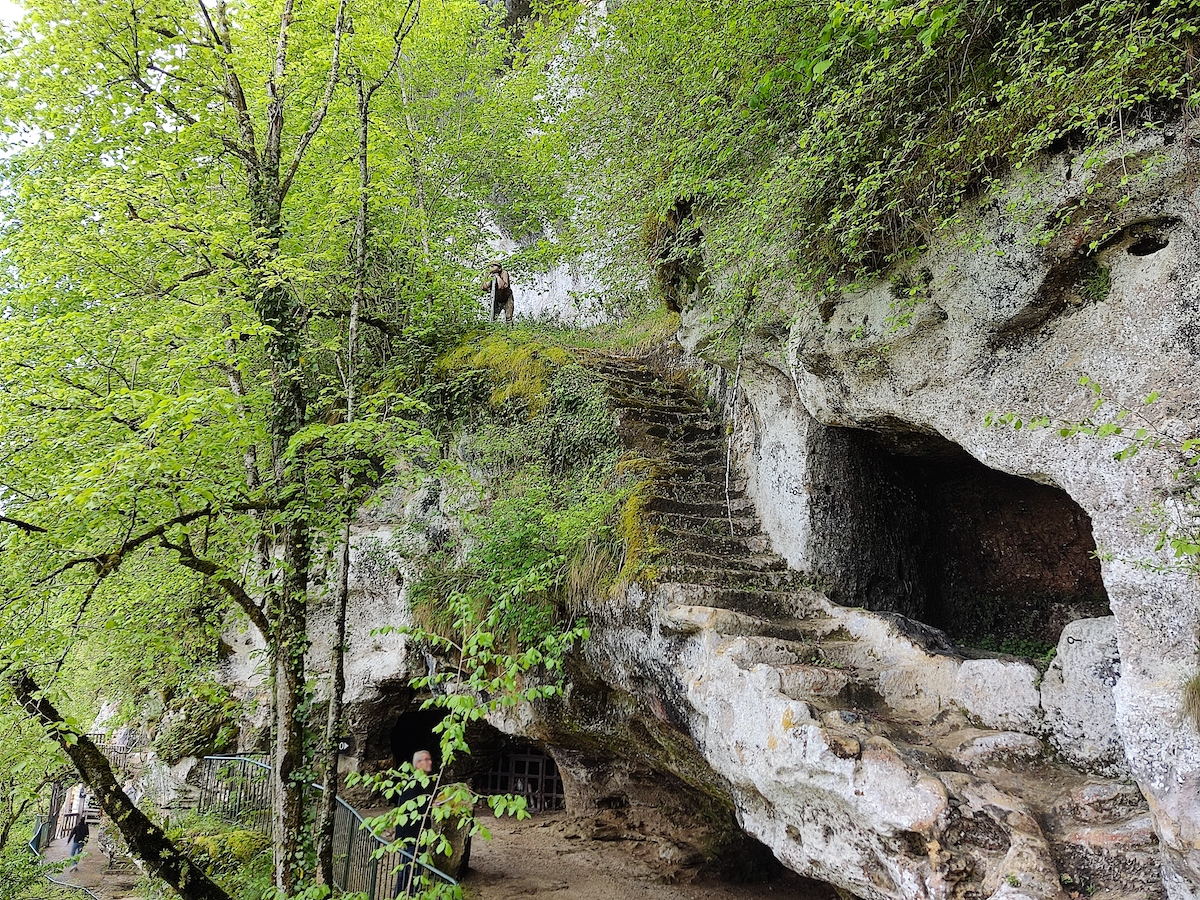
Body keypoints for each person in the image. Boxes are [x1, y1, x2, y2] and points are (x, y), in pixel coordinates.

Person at [394, 750, 435, 897]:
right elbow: (414, 810)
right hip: (413, 836)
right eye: (426, 760)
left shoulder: (420, 782)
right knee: (408, 871)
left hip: (416, 835)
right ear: (418, 764)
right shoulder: (414, 784)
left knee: (412, 870)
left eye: (430, 759)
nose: (430, 762)